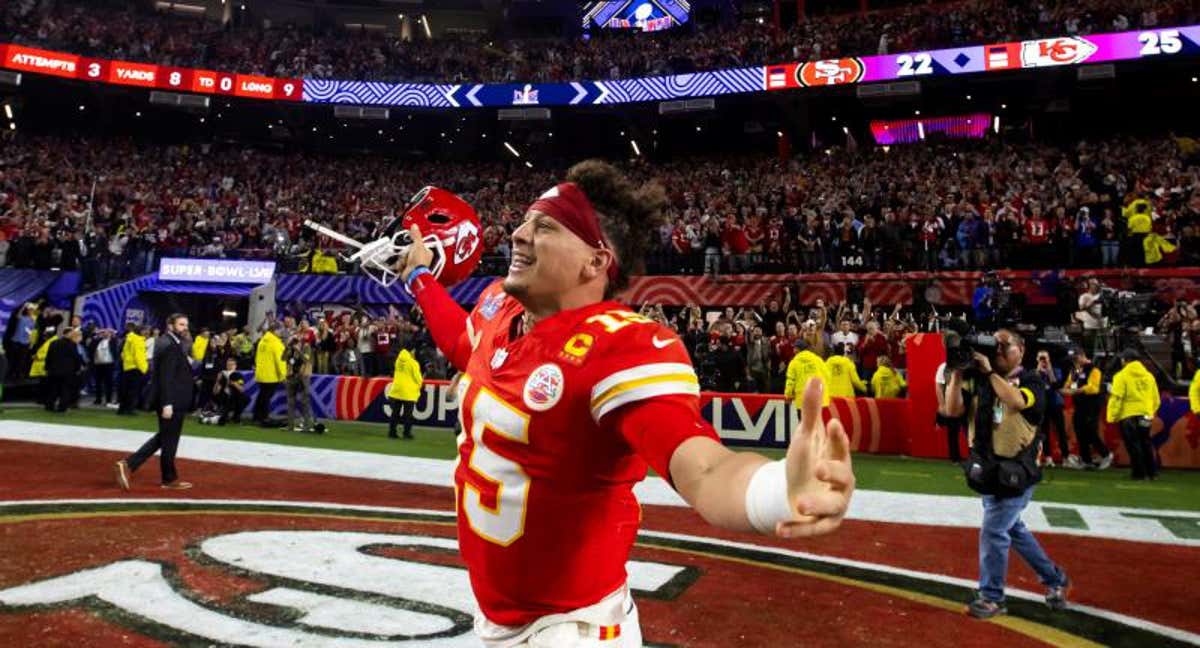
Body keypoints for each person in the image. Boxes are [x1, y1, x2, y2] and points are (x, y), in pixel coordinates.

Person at [398, 161, 854, 646]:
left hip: (571, 631)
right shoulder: (502, 307)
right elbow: (462, 342)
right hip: (494, 618)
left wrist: (777, 490)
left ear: (595, 262)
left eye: (545, 226)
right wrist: (421, 279)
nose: (518, 234)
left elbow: (703, 468)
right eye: (526, 221)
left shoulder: (620, 346)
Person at [943, 329, 1070, 619]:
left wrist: (989, 374)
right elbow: (951, 410)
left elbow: (1016, 401)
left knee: (994, 530)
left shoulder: (1032, 381)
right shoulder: (980, 380)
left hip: (1016, 473)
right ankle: (1055, 579)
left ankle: (992, 597)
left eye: (1004, 346)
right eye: (994, 346)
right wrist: (958, 374)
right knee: (1013, 529)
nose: (997, 351)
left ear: (1021, 349)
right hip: (989, 473)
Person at [115, 314, 195, 491]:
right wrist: (167, 403)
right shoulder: (170, 345)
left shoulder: (169, 342)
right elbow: (165, 377)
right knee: (169, 440)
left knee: (165, 438)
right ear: (170, 325)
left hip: (173, 400)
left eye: (186, 324)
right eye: (181, 324)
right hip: (172, 400)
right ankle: (130, 465)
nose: (185, 328)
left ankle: (164, 476)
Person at [1107, 349, 1161, 480]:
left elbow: (1117, 398)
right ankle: (1152, 472)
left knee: (1133, 444)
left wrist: (1112, 415)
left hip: (1128, 415)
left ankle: (1139, 473)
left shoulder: (1121, 376)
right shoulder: (1149, 376)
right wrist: (1150, 411)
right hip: (1145, 414)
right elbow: (1156, 399)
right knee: (1146, 441)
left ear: (1126, 360)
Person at [1061, 346, 1112, 470]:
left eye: (1076, 358)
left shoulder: (1094, 369)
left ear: (1082, 355)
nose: (1074, 361)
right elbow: (1067, 385)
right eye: (1072, 359)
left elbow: (1093, 388)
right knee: (1079, 431)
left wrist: (1077, 391)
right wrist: (1067, 390)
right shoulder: (1074, 370)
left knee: (1091, 431)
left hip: (1092, 405)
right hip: (1079, 405)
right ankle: (1086, 460)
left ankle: (1106, 454)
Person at [1034, 350, 1074, 468]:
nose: (1043, 360)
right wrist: (1038, 368)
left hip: (1055, 403)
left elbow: (1055, 383)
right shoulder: (1036, 371)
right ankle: (1048, 457)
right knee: (1044, 431)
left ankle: (1065, 457)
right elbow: (1034, 382)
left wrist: (1049, 368)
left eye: (1045, 358)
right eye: (1041, 358)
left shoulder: (1055, 369)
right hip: (1042, 404)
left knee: (1060, 431)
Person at [386, 335, 423, 439]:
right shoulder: (413, 363)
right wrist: (419, 385)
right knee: (408, 415)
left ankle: (392, 432)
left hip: (397, 390)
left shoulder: (398, 360)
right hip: (408, 392)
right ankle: (406, 433)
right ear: (412, 351)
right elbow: (418, 378)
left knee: (395, 413)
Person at [784, 337, 832, 414]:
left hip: (802, 400)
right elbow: (828, 376)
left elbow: (790, 381)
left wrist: (788, 396)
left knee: (804, 424)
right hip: (818, 399)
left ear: (797, 349)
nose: (793, 350)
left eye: (794, 348)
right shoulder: (818, 360)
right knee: (816, 424)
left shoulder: (794, 363)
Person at [253, 323, 287, 425]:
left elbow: (256, 358)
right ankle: (264, 417)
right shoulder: (276, 343)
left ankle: (257, 416)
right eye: (280, 330)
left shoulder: (262, 341)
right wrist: (283, 376)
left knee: (262, 395)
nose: (282, 332)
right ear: (275, 331)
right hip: (271, 375)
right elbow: (280, 361)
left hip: (261, 373)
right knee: (266, 397)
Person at [284, 335, 316, 433]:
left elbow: (306, 360)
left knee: (304, 402)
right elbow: (282, 358)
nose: (295, 343)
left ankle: (306, 426)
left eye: (296, 341)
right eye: (294, 341)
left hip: (303, 377)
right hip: (292, 376)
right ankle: (290, 426)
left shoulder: (306, 347)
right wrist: (287, 348)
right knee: (290, 402)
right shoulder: (290, 349)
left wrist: (298, 350)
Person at [45, 328, 83, 412]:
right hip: (67, 371)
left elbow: (48, 357)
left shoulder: (53, 343)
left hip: (53, 371)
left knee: (53, 389)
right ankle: (62, 407)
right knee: (65, 390)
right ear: (69, 334)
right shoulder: (72, 344)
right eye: (72, 333)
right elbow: (76, 357)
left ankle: (49, 406)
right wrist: (77, 368)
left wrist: (47, 368)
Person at [118, 323, 148, 415]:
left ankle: (122, 409)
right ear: (140, 331)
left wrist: (126, 363)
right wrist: (144, 369)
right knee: (133, 391)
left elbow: (123, 353)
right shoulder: (138, 340)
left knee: (125, 390)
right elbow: (139, 357)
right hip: (136, 368)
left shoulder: (129, 339)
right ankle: (129, 409)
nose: (147, 332)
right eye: (145, 330)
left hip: (127, 367)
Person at [28, 328, 58, 409]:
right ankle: (42, 399)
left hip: (45, 366)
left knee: (45, 384)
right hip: (43, 366)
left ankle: (43, 399)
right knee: (43, 384)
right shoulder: (51, 340)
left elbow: (48, 353)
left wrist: (37, 356)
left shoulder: (53, 341)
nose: (45, 335)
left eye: (46, 333)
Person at [213, 357, 248, 423]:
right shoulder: (223, 374)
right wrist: (217, 381)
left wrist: (233, 383)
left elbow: (241, 389)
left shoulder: (238, 375)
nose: (230, 367)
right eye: (228, 365)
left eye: (232, 365)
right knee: (228, 398)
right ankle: (224, 416)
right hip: (224, 396)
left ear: (235, 366)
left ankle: (235, 417)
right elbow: (215, 392)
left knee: (244, 398)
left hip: (235, 396)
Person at [89, 328, 117, 406]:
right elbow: (91, 348)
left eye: (108, 332)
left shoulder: (113, 341)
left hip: (109, 364)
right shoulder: (98, 341)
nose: (105, 334)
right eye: (104, 332)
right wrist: (97, 336)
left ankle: (108, 400)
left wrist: (113, 335)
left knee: (108, 383)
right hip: (98, 364)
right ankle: (98, 399)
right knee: (98, 382)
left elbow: (115, 348)